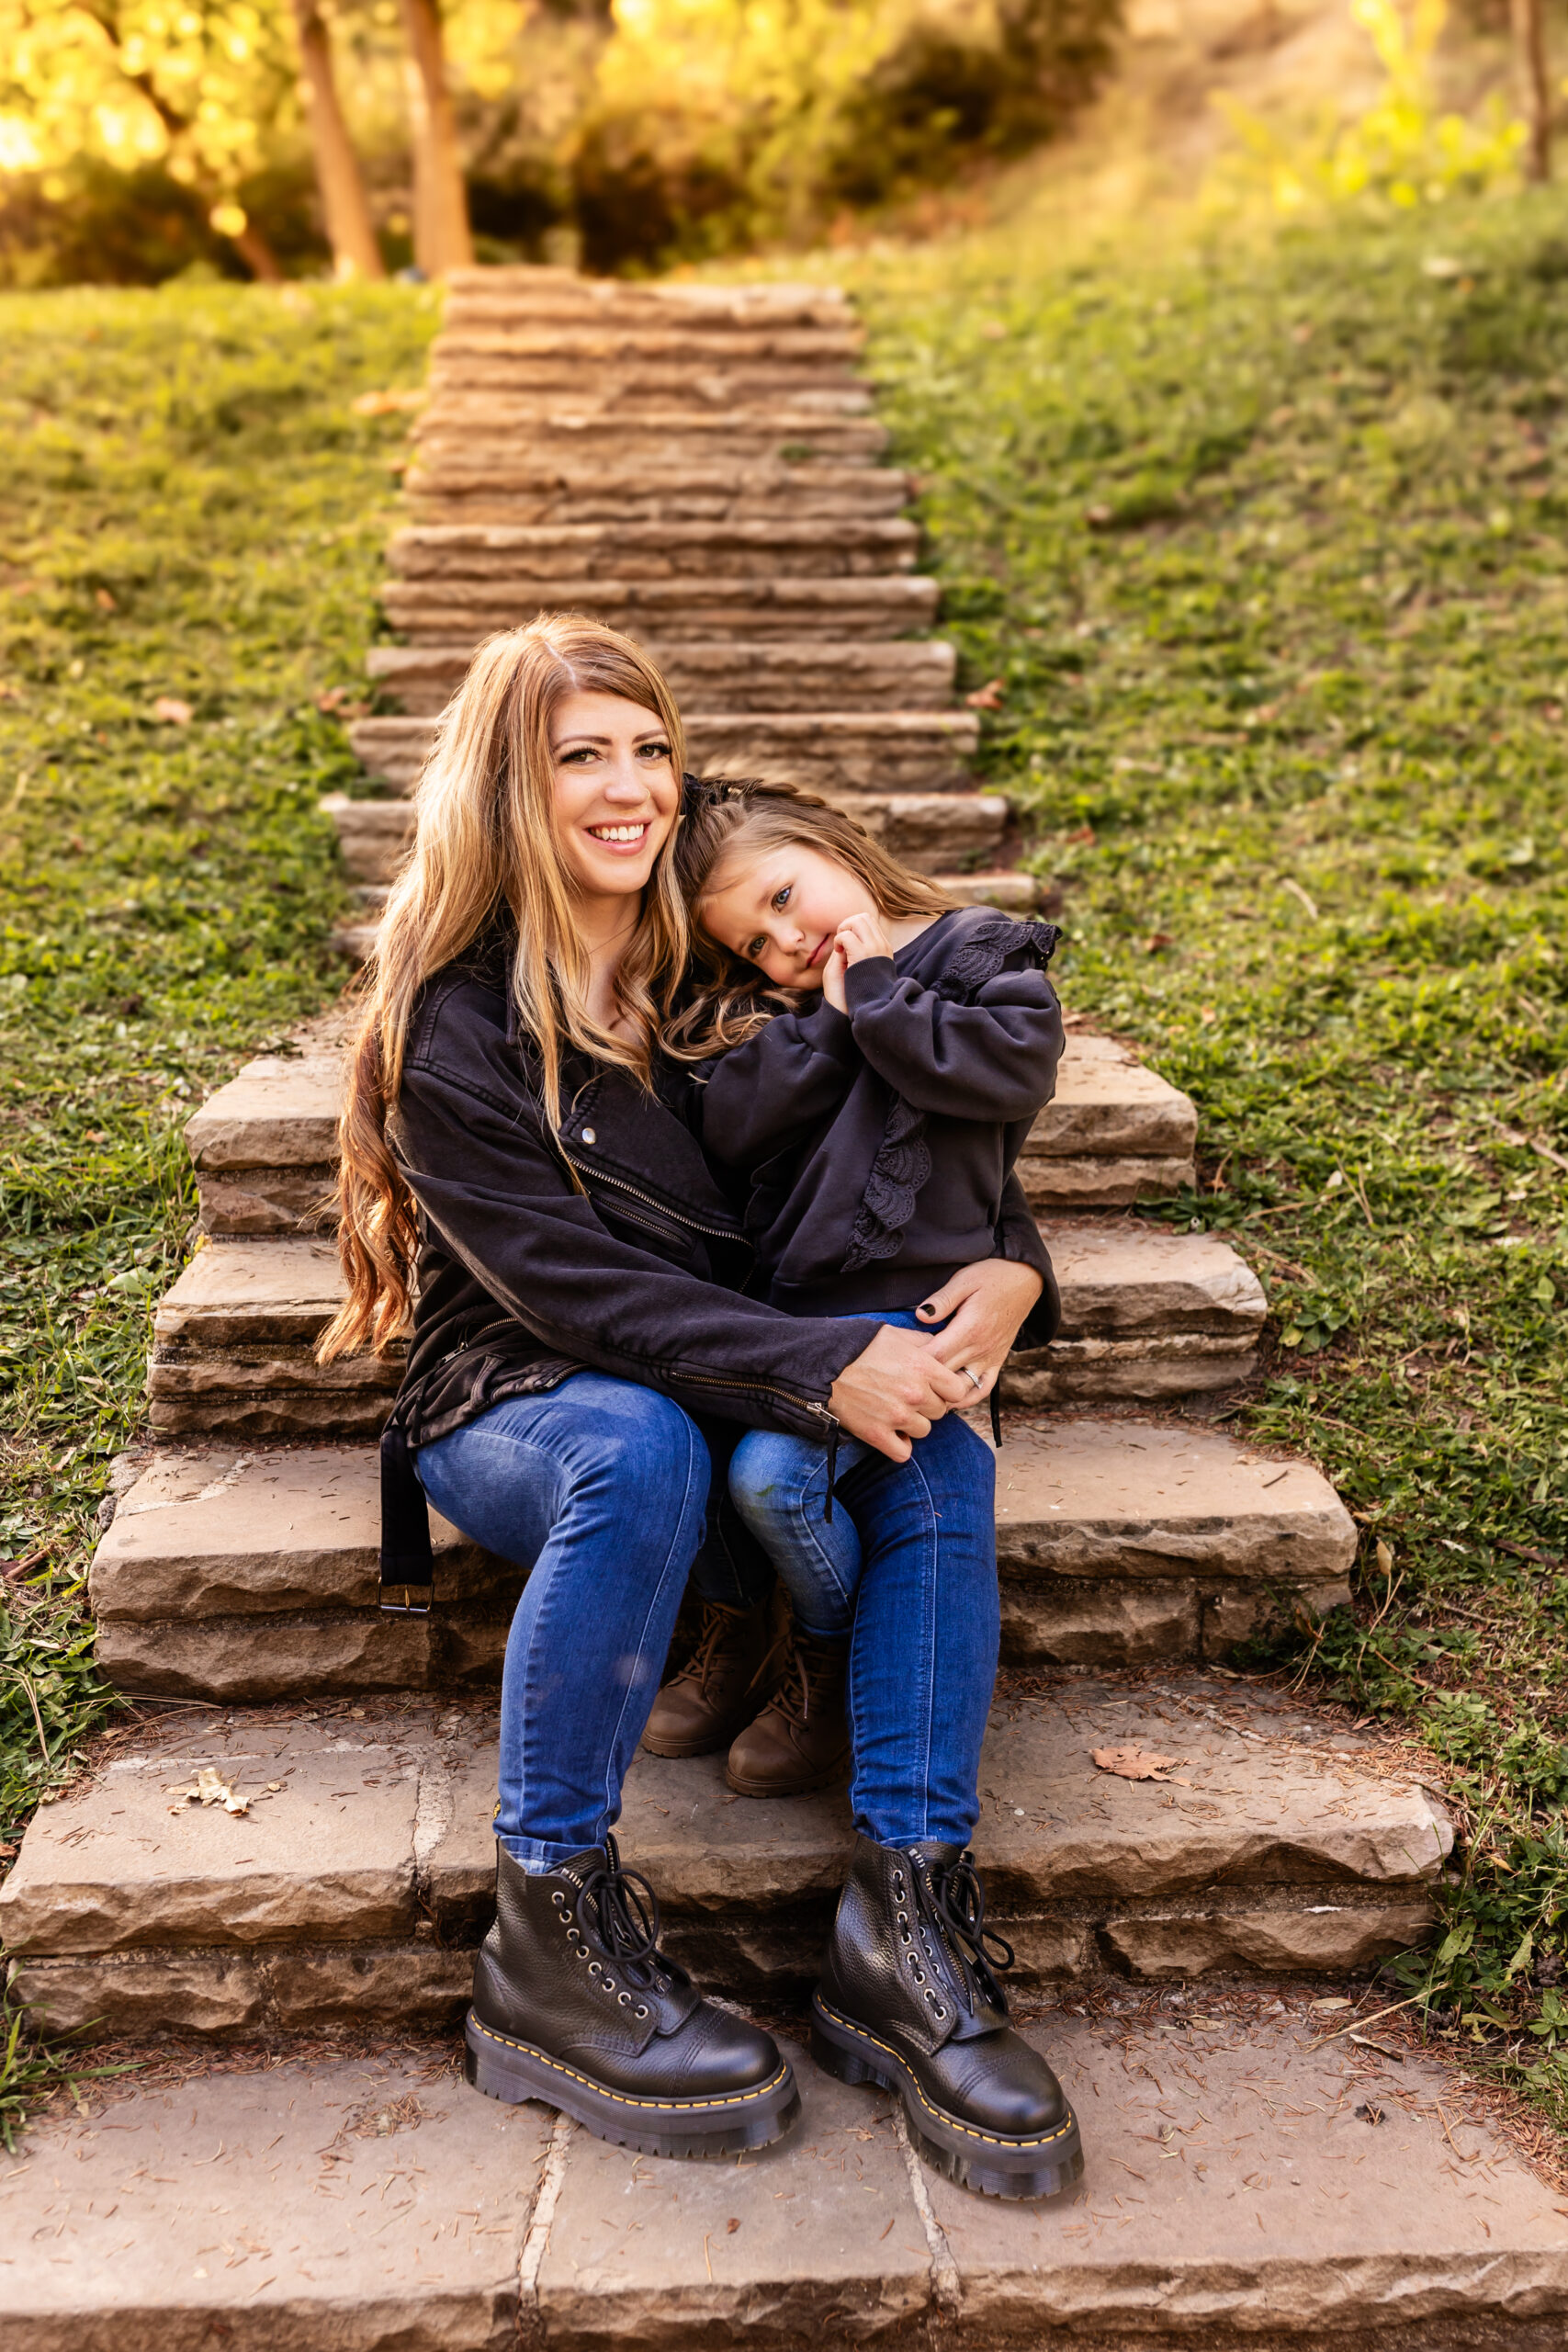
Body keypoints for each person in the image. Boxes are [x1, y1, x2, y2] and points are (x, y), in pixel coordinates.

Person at [319, 614, 1083, 2200]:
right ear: (499, 791)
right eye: (577, 755)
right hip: (515, 1391)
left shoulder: (716, 968)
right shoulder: (454, 1020)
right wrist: (816, 1363)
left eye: (649, 749)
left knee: (931, 1426)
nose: (629, 786)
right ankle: (544, 1934)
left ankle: (906, 1927)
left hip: (740, 1366)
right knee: (634, 1436)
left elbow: (892, 1168)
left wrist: (1009, 1273)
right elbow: (572, 1298)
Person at [643, 779, 1062, 1820]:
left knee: (778, 1483)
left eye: (786, 896)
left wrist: (875, 985)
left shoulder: (976, 953)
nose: (786, 942)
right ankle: (755, 1626)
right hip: (793, 1318)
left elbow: (1008, 1076)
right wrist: (829, 1020)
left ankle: (823, 1648)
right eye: (754, 942)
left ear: (831, 843)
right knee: (710, 1461)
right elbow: (731, 1128)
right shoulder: (776, 1017)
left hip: (915, 1315)